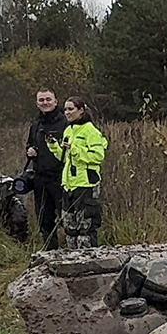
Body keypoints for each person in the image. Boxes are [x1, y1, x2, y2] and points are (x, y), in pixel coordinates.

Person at [48, 97, 108, 249]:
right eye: (65, 109)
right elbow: (64, 157)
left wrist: (75, 150)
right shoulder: (68, 130)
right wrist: (53, 145)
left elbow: (97, 156)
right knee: (70, 227)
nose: (67, 113)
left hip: (86, 184)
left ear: (81, 110)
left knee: (86, 227)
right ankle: (71, 262)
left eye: (70, 109)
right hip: (69, 184)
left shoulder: (91, 131)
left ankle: (88, 262)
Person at [25, 89, 68, 246]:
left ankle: (73, 252)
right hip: (40, 178)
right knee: (44, 218)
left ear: (55, 102)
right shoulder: (36, 124)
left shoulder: (65, 123)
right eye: (41, 100)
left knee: (67, 218)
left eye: (48, 99)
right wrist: (29, 151)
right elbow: (30, 144)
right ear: (37, 104)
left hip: (61, 178)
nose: (45, 103)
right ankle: (50, 252)